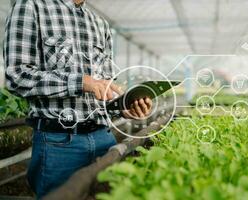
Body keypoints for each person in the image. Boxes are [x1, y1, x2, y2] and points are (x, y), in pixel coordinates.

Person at [3, 0, 152, 198]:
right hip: (59, 142)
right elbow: (18, 75)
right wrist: (81, 82)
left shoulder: (99, 23)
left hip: (103, 137)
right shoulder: (32, 6)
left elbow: (104, 87)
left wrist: (123, 106)